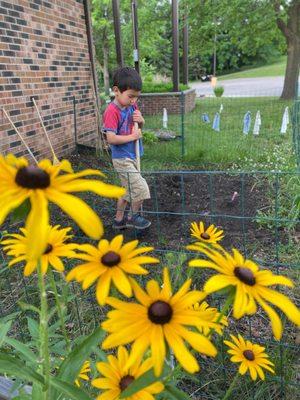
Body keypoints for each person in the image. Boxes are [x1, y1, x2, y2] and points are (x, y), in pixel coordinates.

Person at [102, 67, 151, 230]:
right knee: (140, 188)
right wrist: (132, 137)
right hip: (122, 158)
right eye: (131, 96)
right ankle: (133, 217)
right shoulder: (111, 112)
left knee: (127, 190)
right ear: (116, 91)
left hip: (133, 154)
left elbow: (137, 126)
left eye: (137, 97)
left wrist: (141, 120)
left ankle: (118, 220)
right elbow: (111, 138)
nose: (134, 101)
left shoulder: (132, 107)